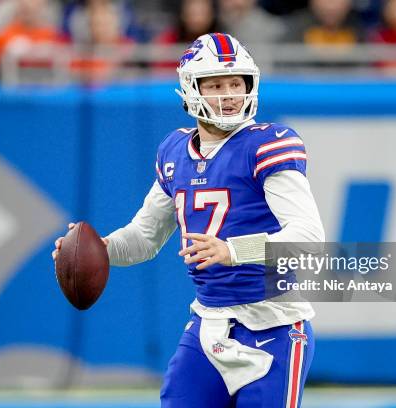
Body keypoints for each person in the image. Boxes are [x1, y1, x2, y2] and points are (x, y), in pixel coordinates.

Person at [53, 32, 324, 407]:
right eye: (216, 84)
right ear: (190, 90)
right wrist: (99, 249)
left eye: (235, 82)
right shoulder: (175, 151)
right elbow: (145, 239)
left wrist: (233, 251)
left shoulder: (268, 144)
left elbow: (310, 237)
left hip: (273, 324)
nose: (229, 94)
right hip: (208, 323)